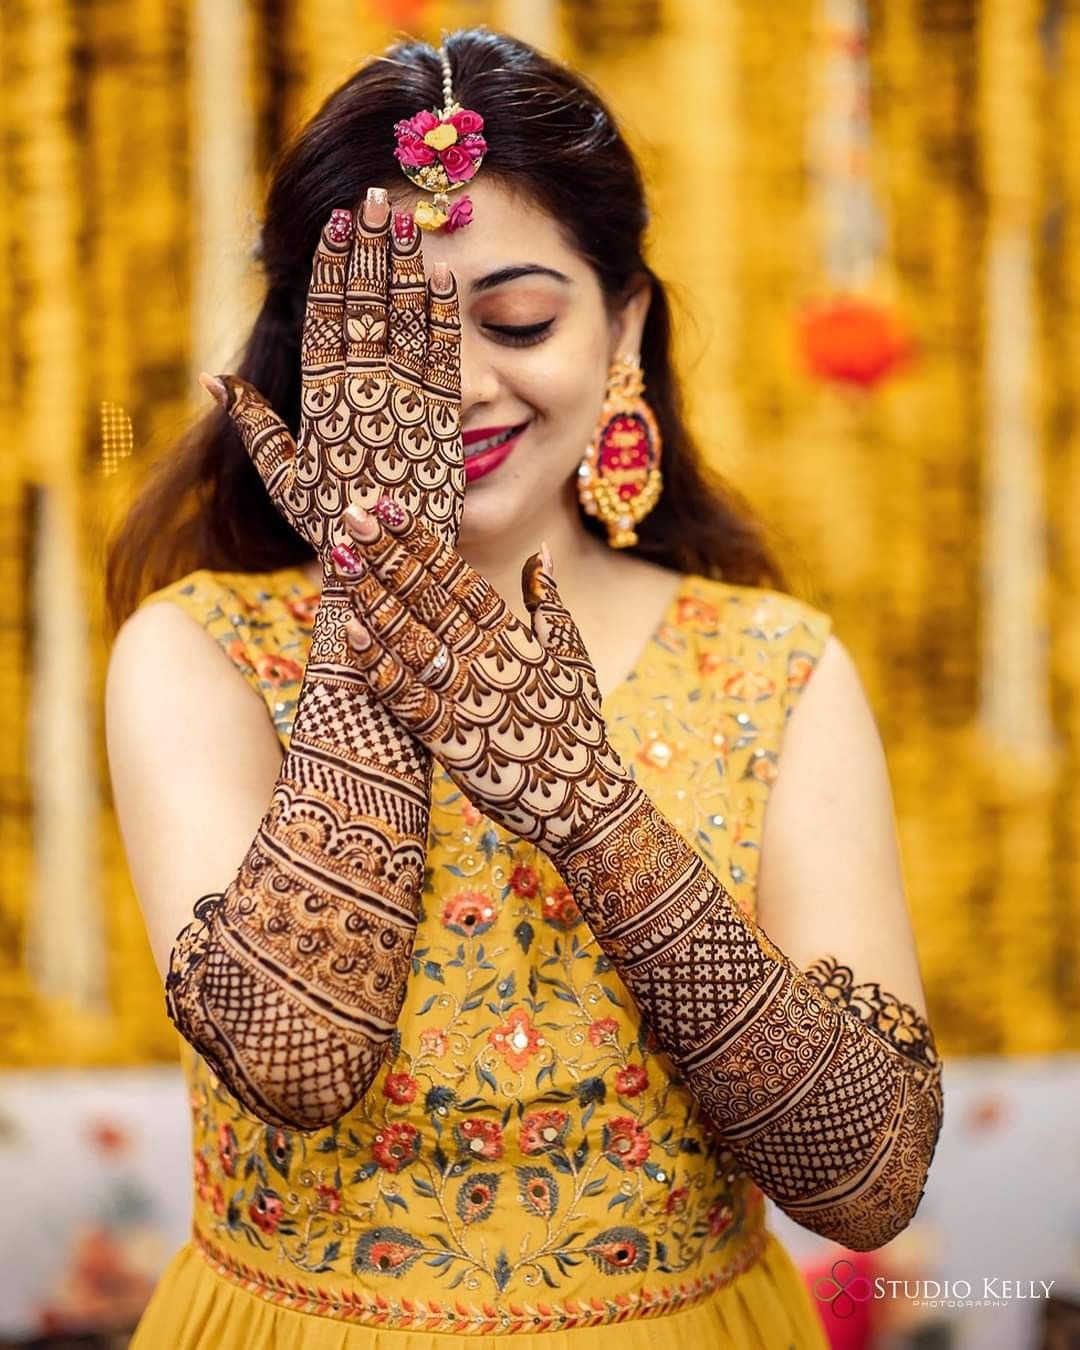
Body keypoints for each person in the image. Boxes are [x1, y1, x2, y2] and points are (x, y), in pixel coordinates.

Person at [104, 28, 942, 1349]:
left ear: (626, 326)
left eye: (517, 318)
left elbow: (873, 1176)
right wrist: (382, 578)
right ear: (311, 357)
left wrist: (595, 811)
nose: (451, 385)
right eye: (390, 341)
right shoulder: (196, 649)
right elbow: (296, 1059)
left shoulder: (777, 667)